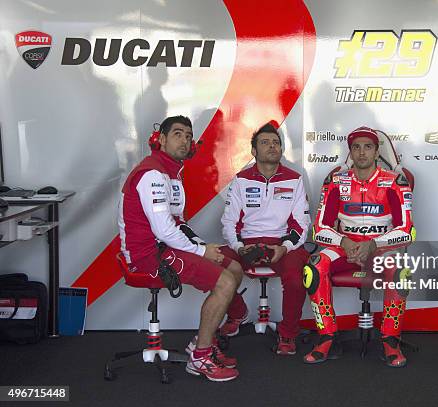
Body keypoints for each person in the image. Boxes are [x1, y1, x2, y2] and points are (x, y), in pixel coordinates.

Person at [118, 115, 242, 382]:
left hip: (164, 246)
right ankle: (200, 358)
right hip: (148, 256)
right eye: (177, 134)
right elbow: (163, 230)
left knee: (232, 263)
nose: (185, 140)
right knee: (225, 282)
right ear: (160, 139)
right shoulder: (153, 173)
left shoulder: (172, 171)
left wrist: (202, 246)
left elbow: (178, 223)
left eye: (188, 135)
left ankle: (201, 340)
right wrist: (201, 252)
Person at [303, 126, 416, 367]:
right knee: (314, 267)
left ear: (377, 152)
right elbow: (319, 228)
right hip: (346, 247)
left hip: (381, 248)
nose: (362, 152)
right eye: (356, 147)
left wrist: (374, 244)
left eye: (368, 147)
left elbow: (406, 230)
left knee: (400, 270)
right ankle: (327, 338)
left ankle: (390, 340)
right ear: (350, 152)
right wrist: (344, 241)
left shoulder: (394, 181)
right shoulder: (335, 181)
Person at [220, 121, 311, 355]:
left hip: (283, 245)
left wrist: (285, 247)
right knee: (215, 262)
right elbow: (229, 222)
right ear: (253, 151)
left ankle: (289, 334)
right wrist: (239, 248)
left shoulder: (295, 179)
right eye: (265, 142)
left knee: (295, 278)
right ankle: (238, 314)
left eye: (276, 142)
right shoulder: (241, 179)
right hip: (247, 244)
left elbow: (301, 223)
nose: (272, 146)